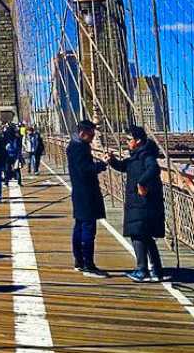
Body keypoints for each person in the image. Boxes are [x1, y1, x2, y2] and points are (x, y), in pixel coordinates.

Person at [106, 125, 167, 283]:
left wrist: (141, 183)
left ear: (138, 141)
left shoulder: (146, 156)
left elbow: (154, 169)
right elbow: (123, 166)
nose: (126, 142)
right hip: (138, 203)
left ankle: (142, 270)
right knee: (145, 236)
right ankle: (157, 270)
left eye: (129, 139)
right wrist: (112, 161)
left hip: (143, 203)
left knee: (138, 235)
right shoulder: (136, 156)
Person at [66, 119, 108, 278]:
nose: (93, 137)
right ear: (83, 133)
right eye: (91, 134)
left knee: (80, 226)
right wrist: (102, 164)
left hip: (79, 192)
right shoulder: (80, 148)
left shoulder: (74, 145)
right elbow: (85, 170)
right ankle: (88, 265)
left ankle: (79, 261)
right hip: (86, 194)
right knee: (88, 229)